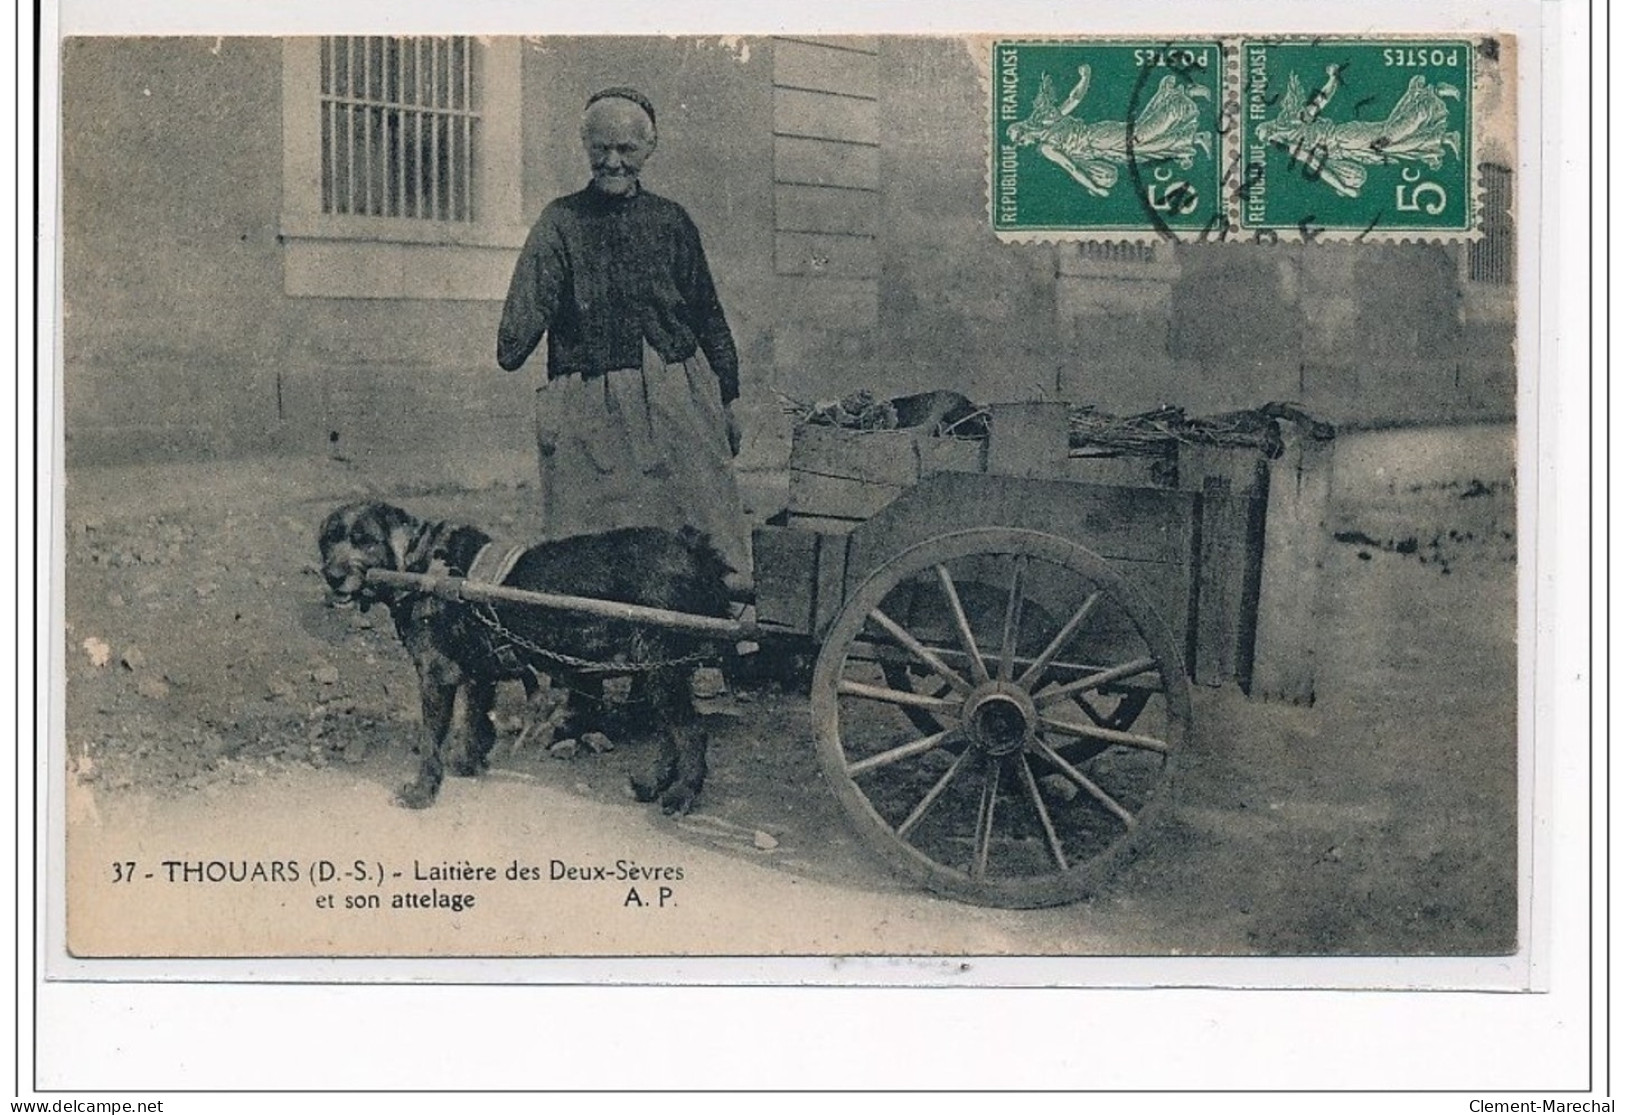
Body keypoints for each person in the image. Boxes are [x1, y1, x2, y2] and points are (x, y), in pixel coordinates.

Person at [497, 87, 750, 578]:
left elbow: (707, 314)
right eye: (600, 148)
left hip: (676, 402)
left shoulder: (671, 221)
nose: (612, 162)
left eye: (626, 150)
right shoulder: (560, 221)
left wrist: (730, 396)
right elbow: (511, 345)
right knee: (590, 556)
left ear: (648, 150)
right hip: (589, 409)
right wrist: (543, 284)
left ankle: (725, 642)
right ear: (585, 146)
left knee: (703, 539)